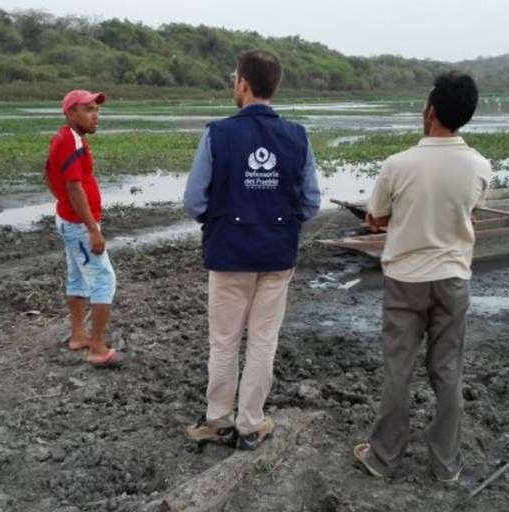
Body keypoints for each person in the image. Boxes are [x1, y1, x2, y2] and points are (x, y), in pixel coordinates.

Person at [353, 71, 491, 482]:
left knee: (399, 368)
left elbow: (375, 217)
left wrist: (385, 221)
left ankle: (384, 457)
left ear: (430, 111)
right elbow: (470, 215)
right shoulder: (480, 166)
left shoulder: (398, 164)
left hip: (406, 279)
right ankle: (446, 464)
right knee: (448, 371)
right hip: (452, 278)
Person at [183, 50, 321, 450]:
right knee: (263, 340)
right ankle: (250, 423)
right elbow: (311, 202)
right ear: (272, 86)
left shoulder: (217, 133)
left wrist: (223, 222)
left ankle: (218, 420)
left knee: (224, 340)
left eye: (234, 79)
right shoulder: (298, 136)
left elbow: (194, 201)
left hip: (229, 256)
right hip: (277, 257)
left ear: (242, 83)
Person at [44, 89, 122, 367]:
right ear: (70, 113)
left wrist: (63, 203)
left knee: (77, 276)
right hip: (78, 225)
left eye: (96, 109)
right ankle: (98, 348)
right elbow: (74, 186)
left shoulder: (66, 137)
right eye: (88, 109)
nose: (95, 115)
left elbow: (47, 173)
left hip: (70, 220)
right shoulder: (70, 141)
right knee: (104, 279)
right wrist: (92, 229)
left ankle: (79, 335)